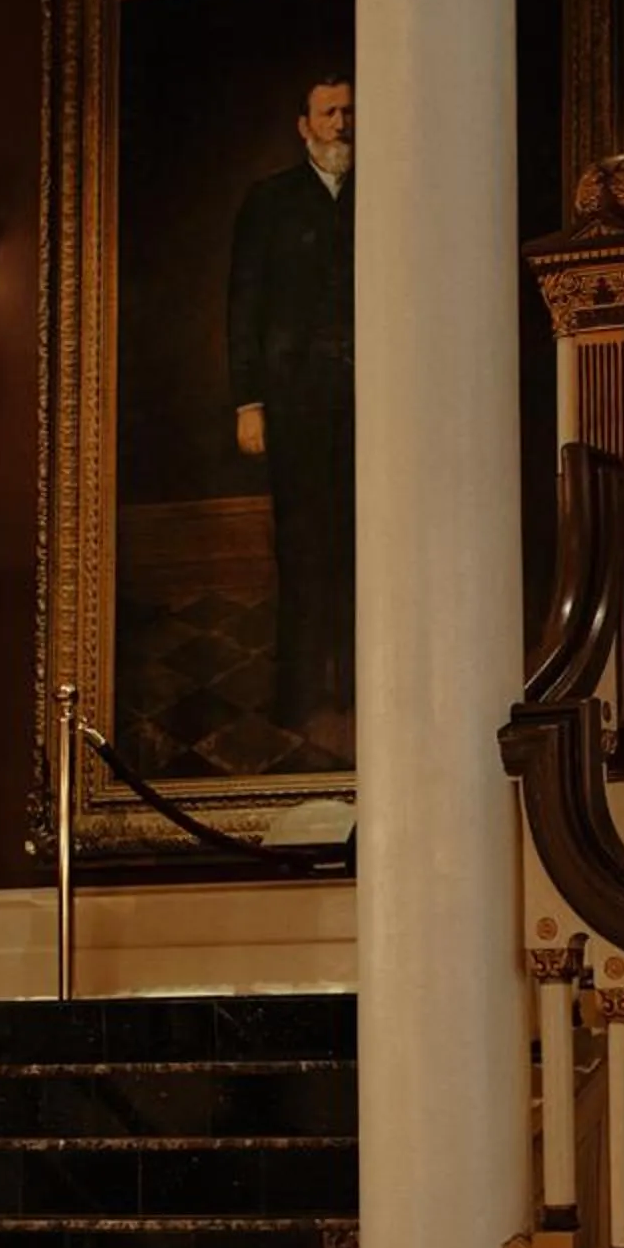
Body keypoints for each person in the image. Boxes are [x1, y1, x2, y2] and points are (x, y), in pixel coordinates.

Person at [226, 73, 354, 758]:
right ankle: (303, 692)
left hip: (373, 406)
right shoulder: (270, 202)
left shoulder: (382, 194)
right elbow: (243, 308)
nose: (342, 123)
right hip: (295, 405)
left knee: (367, 541)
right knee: (304, 546)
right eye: (329, 112)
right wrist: (249, 401)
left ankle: (364, 687)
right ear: (303, 125)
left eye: (349, 111)